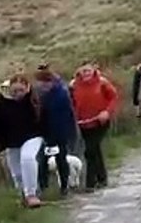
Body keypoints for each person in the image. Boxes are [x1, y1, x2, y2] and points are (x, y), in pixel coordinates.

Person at [0, 74, 45, 208]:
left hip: (33, 136)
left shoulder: (34, 99)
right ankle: (22, 195)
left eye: (21, 91)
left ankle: (32, 194)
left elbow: (45, 117)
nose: (18, 94)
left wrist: (51, 137)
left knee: (28, 158)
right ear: (9, 90)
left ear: (27, 88)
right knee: (17, 172)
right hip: (11, 141)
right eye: (15, 91)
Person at [70, 63, 119, 191]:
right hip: (83, 123)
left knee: (90, 150)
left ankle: (90, 183)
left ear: (93, 70)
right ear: (79, 72)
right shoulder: (73, 85)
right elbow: (71, 102)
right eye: (83, 71)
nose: (86, 73)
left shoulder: (102, 83)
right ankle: (102, 178)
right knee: (94, 150)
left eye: (88, 70)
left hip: (100, 122)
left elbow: (113, 97)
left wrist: (107, 112)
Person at [33, 65, 77, 198]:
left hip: (59, 133)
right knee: (42, 160)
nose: (41, 86)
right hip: (44, 133)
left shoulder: (61, 94)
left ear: (50, 81)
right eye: (39, 83)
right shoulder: (38, 94)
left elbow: (68, 114)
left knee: (61, 160)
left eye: (44, 83)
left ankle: (64, 186)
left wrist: (69, 132)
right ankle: (43, 187)